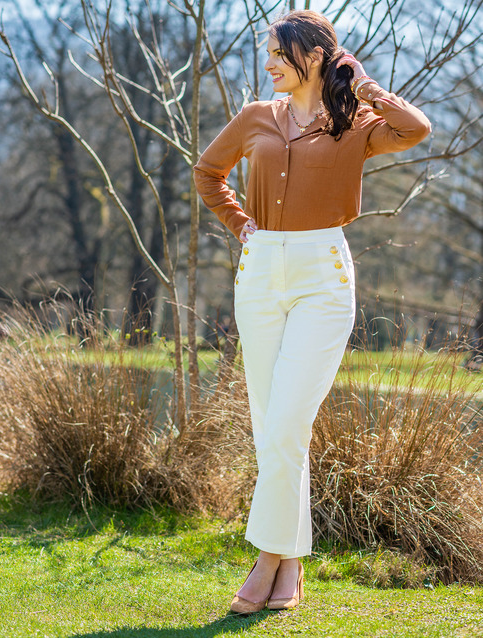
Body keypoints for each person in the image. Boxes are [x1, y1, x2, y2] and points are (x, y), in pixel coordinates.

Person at [193, 10, 431, 614]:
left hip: (323, 276)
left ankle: (267, 558)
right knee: (271, 425)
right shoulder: (255, 118)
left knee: (288, 423)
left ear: (316, 56)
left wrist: (363, 83)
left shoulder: (354, 121)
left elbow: (417, 128)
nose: (268, 63)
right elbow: (208, 171)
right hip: (260, 271)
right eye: (268, 53)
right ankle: (291, 563)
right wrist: (240, 223)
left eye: (278, 53)